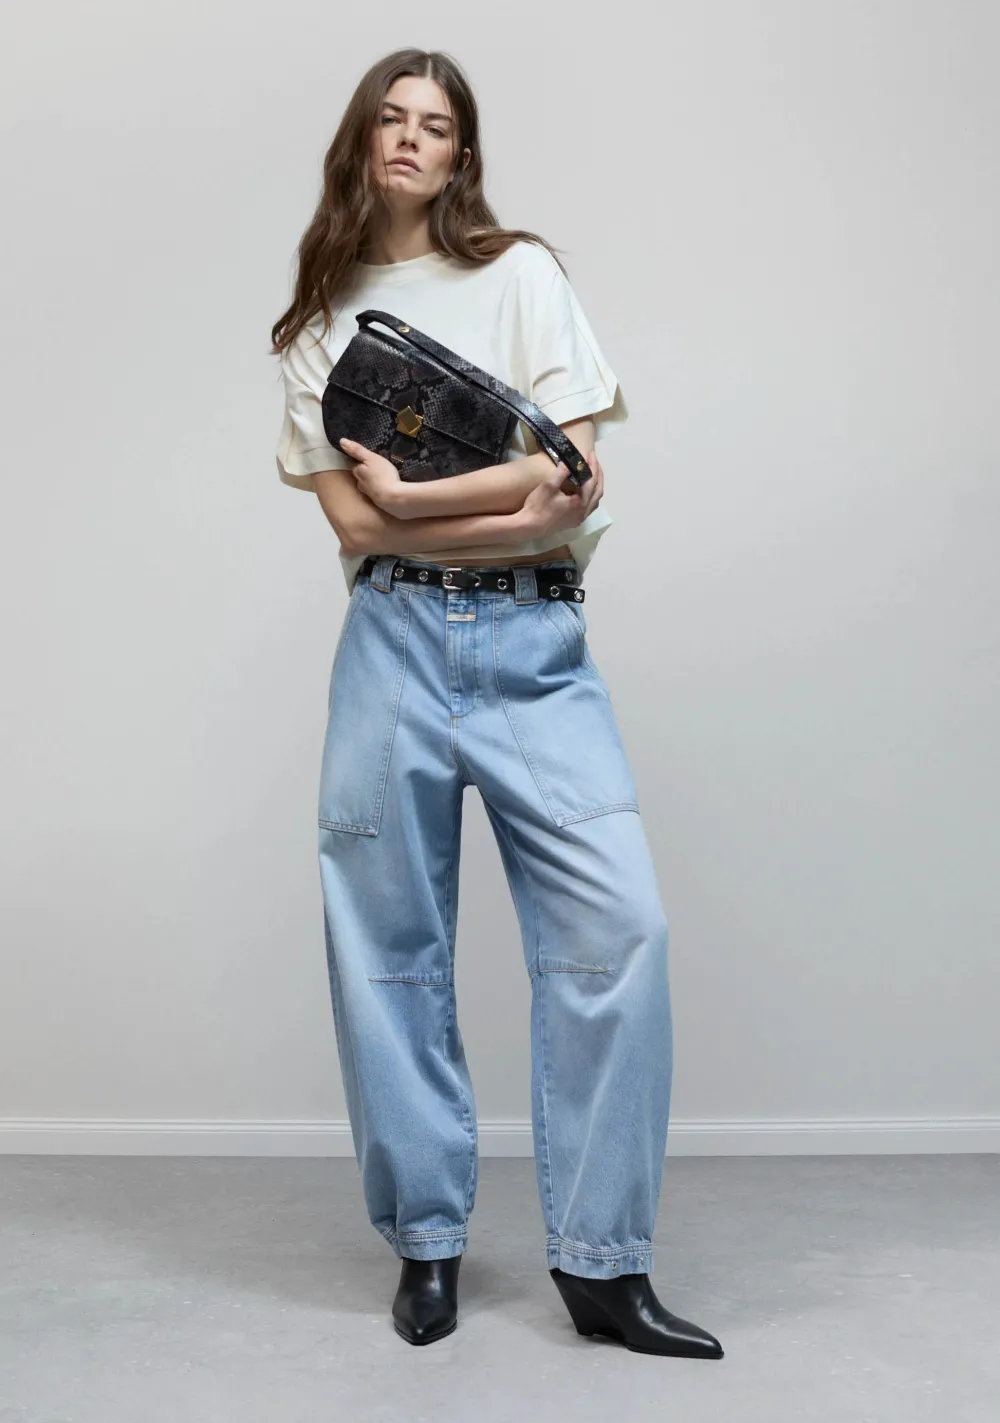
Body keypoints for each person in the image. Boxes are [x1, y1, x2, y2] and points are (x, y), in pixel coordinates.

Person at [270, 47, 723, 1360]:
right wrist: (497, 501)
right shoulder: (317, 326)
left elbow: (572, 482)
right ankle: (426, 1244)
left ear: (463, 154)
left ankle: (604, 1267)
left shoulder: (522, 276)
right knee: (386, 950)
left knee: (618, 932)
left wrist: (433, 503)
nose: (410, 139)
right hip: (391, 647)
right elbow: (360, 527)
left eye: (436, 124)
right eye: (390, 119)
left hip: (535, 643)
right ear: (361, 141)